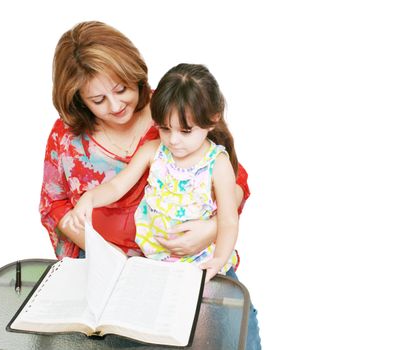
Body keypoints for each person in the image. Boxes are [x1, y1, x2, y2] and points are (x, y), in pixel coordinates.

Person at [39, 21, 261, 349]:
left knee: (219, 334)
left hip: (191, 259)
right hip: (112, 274)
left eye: (122, 89)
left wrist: (211, 231)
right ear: (78, 99)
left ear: (136, 76)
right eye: (98, 99)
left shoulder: (175, 109)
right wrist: (93, 239)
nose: (115, 106)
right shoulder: (68, 135)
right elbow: (59, 201)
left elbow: (234, 187)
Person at [68, 63, 240, 282]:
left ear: (213, 120)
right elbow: (117, 186)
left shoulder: (217, 164)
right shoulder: (154, 151)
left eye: (185, 131)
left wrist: (218, 260)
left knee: (202, 312)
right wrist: (89, 198)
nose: (173, 140)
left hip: (201, 260)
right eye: (165, 128)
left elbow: (228, 221)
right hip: (155, 261)